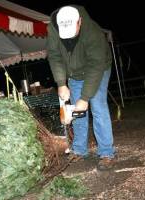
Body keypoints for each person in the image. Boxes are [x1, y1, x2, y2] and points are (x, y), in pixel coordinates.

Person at [47, 5, 115, 170]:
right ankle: (79, 149)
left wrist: (85, 98)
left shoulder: (93, 32)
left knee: (97, 106)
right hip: (75, 74)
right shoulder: (53, 29)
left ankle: (106, 152)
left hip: (98, 69)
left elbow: (95, 65)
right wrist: (61, 84)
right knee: (77, 112)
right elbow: (55, 57)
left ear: (80, 21)